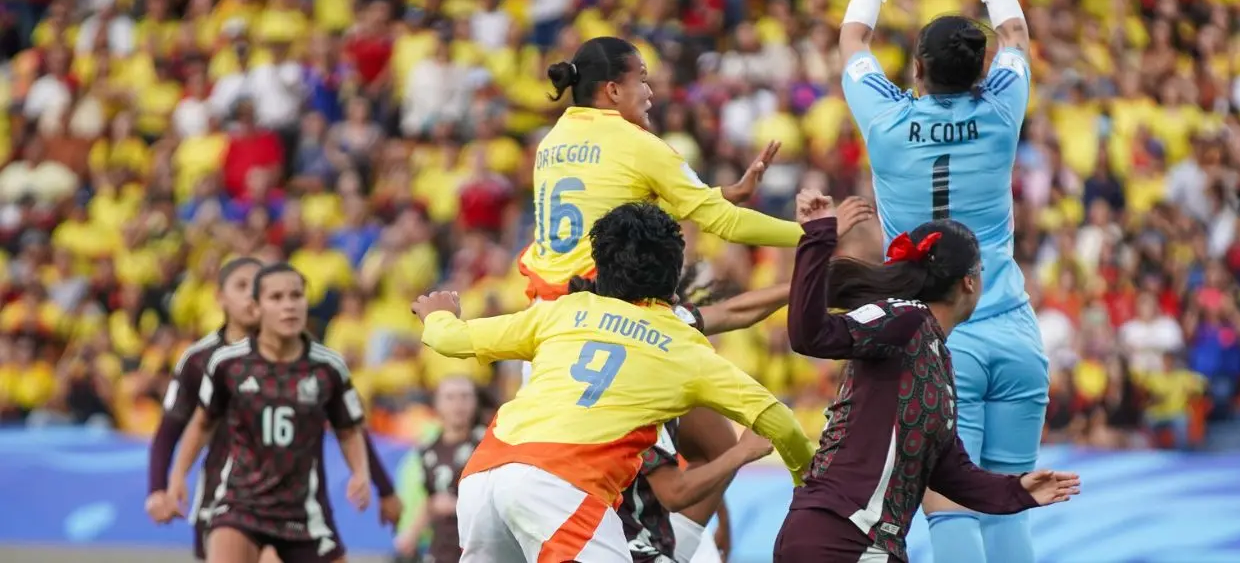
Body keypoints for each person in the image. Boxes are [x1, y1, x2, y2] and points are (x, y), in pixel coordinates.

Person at [518, 34, 807, 557]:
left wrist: (713, 195)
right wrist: (814, 237)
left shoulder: (554, 140)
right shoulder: (638, 144)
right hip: (609, 327)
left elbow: (614, 212)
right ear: (612, 90)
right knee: (696, 462)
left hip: (551, 326)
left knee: (698, 454)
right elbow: (724, 225)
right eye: (642, 79)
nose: (650, 90)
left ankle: (671, 548)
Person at [411, 202, 815, 563]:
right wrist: (805, 485)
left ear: (599, 266)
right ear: (674, 276)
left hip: (485, 477)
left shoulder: (562, 310)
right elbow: (779, 422)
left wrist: (438, 315)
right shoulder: (683, 347)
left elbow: (451, 340)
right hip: (563, 488)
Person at [838, 0, 1048, 563]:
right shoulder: (1001, 109)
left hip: (937, 335)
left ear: (918, 69)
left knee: (949, 498)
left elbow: (852, 39)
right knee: (1012, 491)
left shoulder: (889, 120)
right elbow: (1015, 33)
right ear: (984, 69)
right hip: (1013, 325)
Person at [775, 191, 1080, 563]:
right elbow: (812, 335)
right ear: (969, 282)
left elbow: (951, 473)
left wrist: (1018, 491)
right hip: (843, 536)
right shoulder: (906, 319)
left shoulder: (935, 356)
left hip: (856, 540)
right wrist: (818, 237)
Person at [145, 258, 402, 561]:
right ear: (228, 298)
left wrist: (373, 481)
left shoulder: (323, 366)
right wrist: (165, 484)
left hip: (302, 503)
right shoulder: (210, 361)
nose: (288, 305)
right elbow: (184, 427)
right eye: (275, 296)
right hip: (233, 500)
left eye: (295, 295)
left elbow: (349, 427)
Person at [566, 274, 792, 563]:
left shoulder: (652, 324)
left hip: (610, 523)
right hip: (611, 540)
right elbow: (674, 492)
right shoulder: (640, 376)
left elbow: (734, 311)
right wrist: (743, 453)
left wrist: (803, 284)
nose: (676, 300)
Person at [393, 375, 487, 563]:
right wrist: (411, 534)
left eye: (465, 396)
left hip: (482, 549)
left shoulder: (488, 444)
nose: (458, 404)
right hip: (441, 550)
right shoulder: (426, 449)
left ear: (475, 401)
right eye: (450, 397)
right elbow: (431, 501)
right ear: (436, 404)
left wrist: (457, 505)